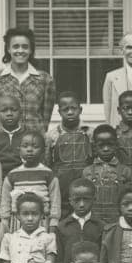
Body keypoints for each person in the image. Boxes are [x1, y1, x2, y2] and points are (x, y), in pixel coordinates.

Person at [0, 27, 56, 134]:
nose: (20, 51)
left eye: (25, 47)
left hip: (34, 144)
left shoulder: (45, 80)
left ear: (31, 50)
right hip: (5, 144)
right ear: (8, 49)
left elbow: (45, 119)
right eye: (16, 47)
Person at [0, 131, 61, 233]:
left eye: (35, 146)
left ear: (43, 151)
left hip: (41, 221)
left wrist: (53, 222)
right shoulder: (12, 175)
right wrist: (5, 221)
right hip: (17, 221)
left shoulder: (48, 174)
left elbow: (55, 200)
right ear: (19, 150)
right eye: (25, 146)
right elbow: (5, 200)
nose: (29, 150)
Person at [45, 91, 92, 221]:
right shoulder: (52, 135)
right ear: (59, 112)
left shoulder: (89, 133)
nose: (70, 112)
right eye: (66, 109)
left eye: (73, 108)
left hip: (84, 187)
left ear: (80, 109)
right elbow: (48, 164)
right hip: (61, 189)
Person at [54, 179, 106, 263]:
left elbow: (103, 258)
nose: (81, 204)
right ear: (70, 201)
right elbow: (60, 260)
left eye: (86, 199)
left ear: (94, 200)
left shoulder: (101, 226)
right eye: (77, 200)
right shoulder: (63, 226)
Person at [83, 125, 132, 227]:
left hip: (118, 221)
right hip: (93, 221)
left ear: (116, 145)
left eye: (110, 145)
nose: (106, 149)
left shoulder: (125, 171)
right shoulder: (87, 172)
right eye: (101, 145)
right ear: (94, 147)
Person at [0, 94, 28, 178]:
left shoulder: (28, 136)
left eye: (14, 110)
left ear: (21, 112)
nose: (9, 114)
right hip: (0, 180)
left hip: (23, 179)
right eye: (4, 110)